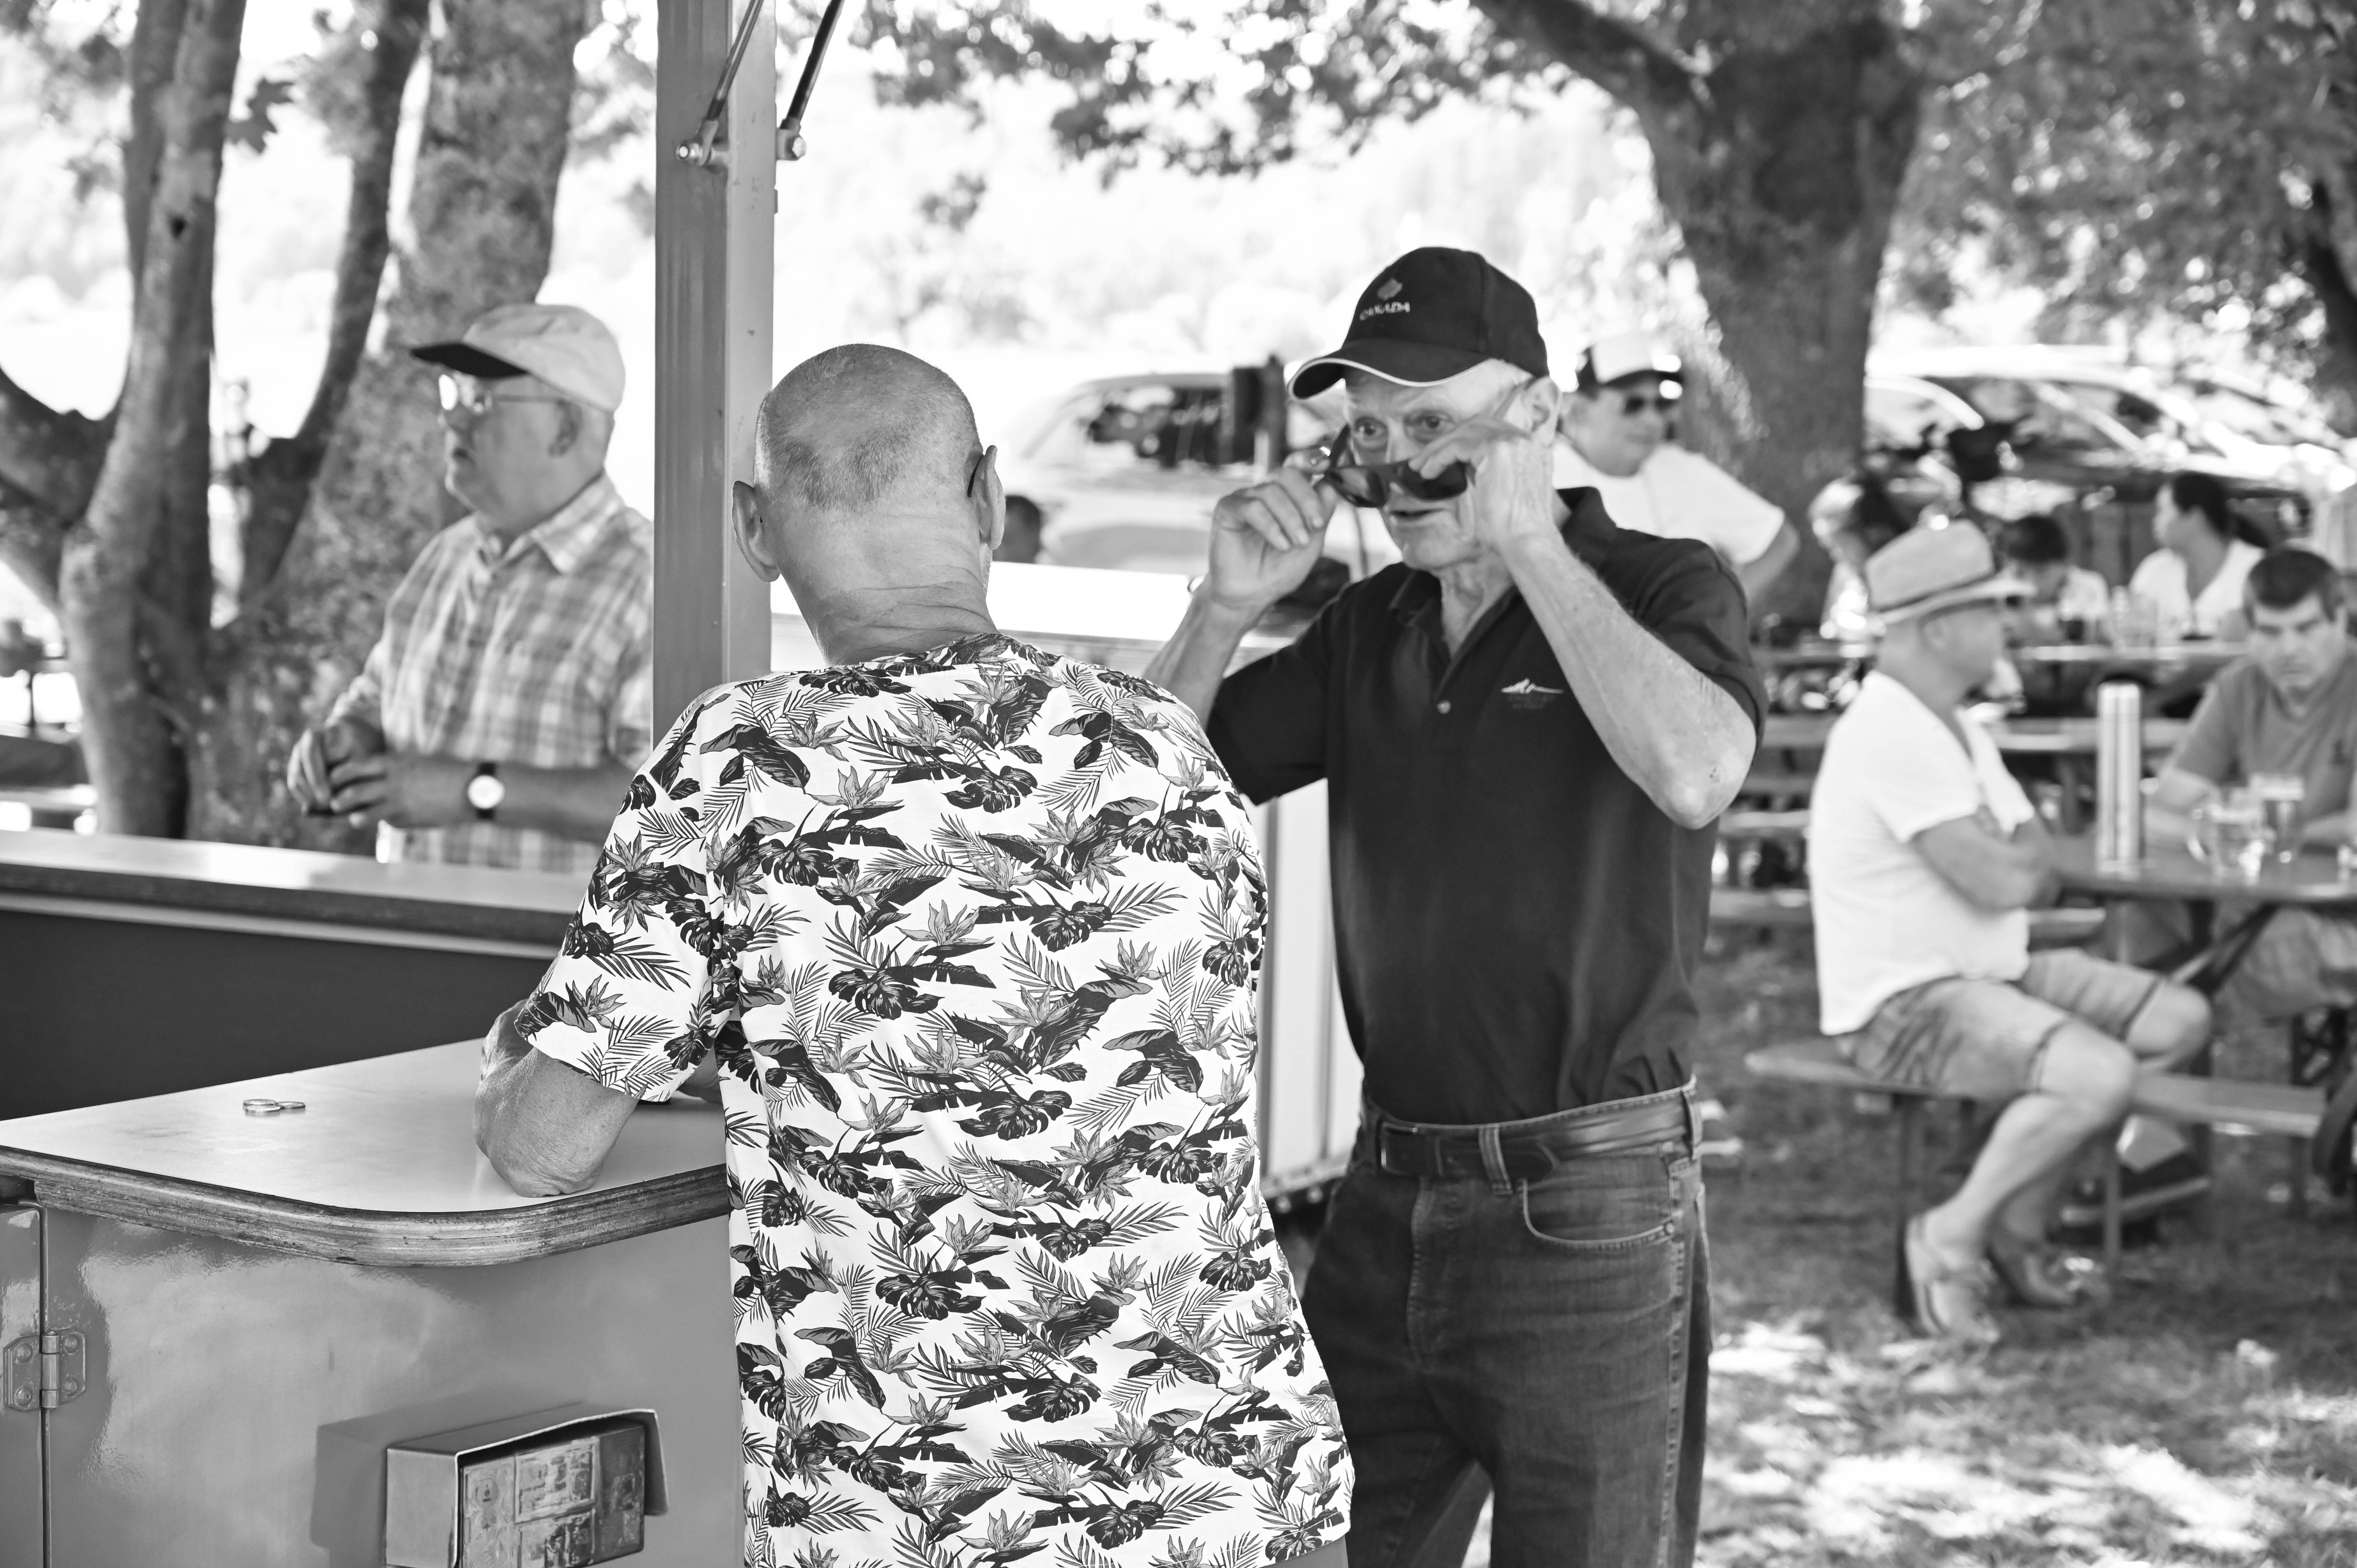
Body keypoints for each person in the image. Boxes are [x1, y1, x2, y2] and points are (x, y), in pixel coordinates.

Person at [475, 345, 1352, 1567]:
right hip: (1238, 1493)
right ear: (989, 497)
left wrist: (519, 1058)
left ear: (753, 529)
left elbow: (543, 1147)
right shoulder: (1165, 741)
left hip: (929, 1522)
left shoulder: (739, 763)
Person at [1146, 246, 1762, 1565]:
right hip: (1386, 1189)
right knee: (1307, 1543)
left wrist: (1529, 541)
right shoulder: (1370, 624)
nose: (1397, 468)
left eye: (1433, 427)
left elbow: (1698, 772)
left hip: (1587, 1199)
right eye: (1369, 434)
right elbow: (1138, 794)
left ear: (1536, 416)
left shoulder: (1664, 583)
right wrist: (1223, 607)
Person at [1807, 525, 2211, 1346]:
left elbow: (2038, 853)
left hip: (1989, 972)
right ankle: (1947, 1236)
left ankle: (2014, 1219)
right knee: (2098, 1074)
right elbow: (2006, 879)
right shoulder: (1888, 728)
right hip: (1904, 1001)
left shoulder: (1952, 722)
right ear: (1936, 627)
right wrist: (2014, 860)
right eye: (1993, 608)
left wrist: (2013, 858)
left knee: (2180, 1020)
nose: (2014, 622)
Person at [285, 302, 651, 875]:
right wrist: (347, 741)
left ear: (564, 427)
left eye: (481, 400)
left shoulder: (649, 584)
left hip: (555, 936)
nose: (450, 420)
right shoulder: (445, 558)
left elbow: (665, 803)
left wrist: (475, 790)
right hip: (410, 921)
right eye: (452, 393)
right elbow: (375, 700)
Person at [2147, 549, 2357, 1022]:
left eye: (2306, 629)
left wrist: (2258, 835)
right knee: (2141, 914)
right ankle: (2162, 1029)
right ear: (2250, 632)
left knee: (2245, 940)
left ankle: (2179, 1021)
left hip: (2339, 914)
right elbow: (2158, 812)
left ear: (2341, 621)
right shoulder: (2238, 686)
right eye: (2270, 631)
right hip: (2263, 901)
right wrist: (2210, 833)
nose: (2289, 649)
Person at [1553, 331, 1800, 603]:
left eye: (1662, 404)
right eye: (1633, 404)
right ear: (1581, 408)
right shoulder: (1544, 474)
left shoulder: (1684, 470)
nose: (1652, 420)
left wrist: (1719, 615)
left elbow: (1779, 540)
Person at [2127, 471, 2265, 640]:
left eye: (2162, 511)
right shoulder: (2155, 570)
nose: (2155, 521)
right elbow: (2129, 633)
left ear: (2194, 517)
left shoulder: (2256, 567)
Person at [2000, 513, 2111, 641]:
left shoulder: (2088, 585)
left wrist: (2034, 631)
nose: (2030, 583)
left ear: (2064, 564)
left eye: (2041, 571)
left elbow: (2094, 636)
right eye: (2020, 573)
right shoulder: (1999, 590)